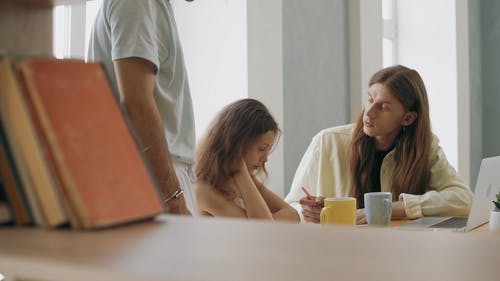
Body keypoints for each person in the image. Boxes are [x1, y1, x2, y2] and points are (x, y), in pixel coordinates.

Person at [285, 65, 473, 224]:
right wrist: (308, 212)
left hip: (396, 250)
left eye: (383, 107)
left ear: (407, 118)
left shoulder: (424, 146)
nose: (369, 113)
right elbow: (291, 207)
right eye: (370, 100)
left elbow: (464, 199)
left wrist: (391, 209)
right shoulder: (327, 141)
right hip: (338, 251)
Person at [87, 0, 196, 214]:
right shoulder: (139, 3)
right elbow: (137, 105)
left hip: (155, 173)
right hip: (154, 176)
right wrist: (173, 197)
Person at [195, 99, 299, 222]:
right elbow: (259, 231)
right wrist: (241, 173)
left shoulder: (247, 181)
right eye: (261, 149)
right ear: (238, 143)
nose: (265, 159)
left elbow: (293, 215)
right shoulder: (203, 190)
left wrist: (268, 221)